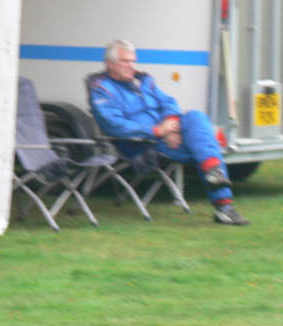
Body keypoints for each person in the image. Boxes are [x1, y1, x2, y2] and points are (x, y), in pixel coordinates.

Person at [89, 40, 249, 226]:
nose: (132, 66)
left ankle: (214, 173)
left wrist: (171, 123)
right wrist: (158, 131)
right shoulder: (102, 90)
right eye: (125, 61)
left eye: (133, 61)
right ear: (110, 64)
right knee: (206, 147)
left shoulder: (143, 81)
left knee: (196, 116)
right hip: (143, 144)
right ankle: (223, 205)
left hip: (167, 134)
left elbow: (169, 102)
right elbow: (114, 126)